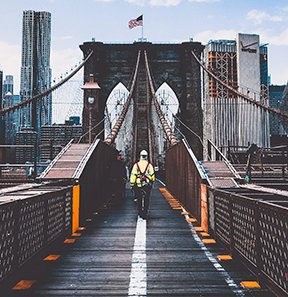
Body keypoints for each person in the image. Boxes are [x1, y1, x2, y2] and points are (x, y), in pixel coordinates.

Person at [130, 150, 155, 219]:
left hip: (138, 185)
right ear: (147, 157)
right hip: (147, 185)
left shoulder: (136, 165)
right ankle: (145, 212)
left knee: (139, 199)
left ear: (140, 156)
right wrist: (150, 180)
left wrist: (132, 185)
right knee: (147, 199)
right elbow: (153, 177)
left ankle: (140, 212)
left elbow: (133, 176)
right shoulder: (149, 166)